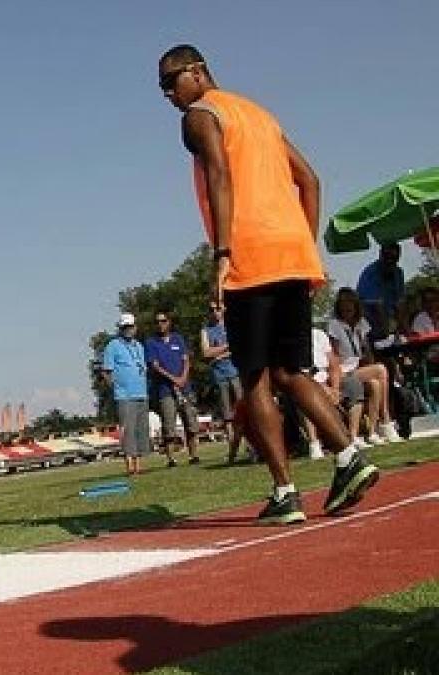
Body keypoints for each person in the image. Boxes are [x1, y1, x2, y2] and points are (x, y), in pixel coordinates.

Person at [158, 43, 378, 524]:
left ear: (196, 72)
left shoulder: (200, 114)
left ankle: (285, 491)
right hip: (292, 254)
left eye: (170, 82)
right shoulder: (259, 114)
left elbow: (220, 174)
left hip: (249, 257)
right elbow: (311, 180)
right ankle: (348, 456)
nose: (168, 95)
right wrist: (305, 245)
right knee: (291, 372)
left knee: (254, 377)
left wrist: (222, 254)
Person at [327, 288, 404, 444]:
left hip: (359, 368)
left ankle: (372, 432)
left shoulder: (361, 324)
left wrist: (368, 362)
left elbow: (367, 351)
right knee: (381, 369)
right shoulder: (335, 325)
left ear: (356, 305)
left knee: (375, 384)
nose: (347, 307)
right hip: (344, 370)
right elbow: (333, 355)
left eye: (350, 303)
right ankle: (387, 420)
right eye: (343, 304)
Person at [144, 311, 202, 467]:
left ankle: (194, 455)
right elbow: (154, 366)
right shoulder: (151, 343)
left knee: (190, 422)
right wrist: (173, 378)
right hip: (165, 390)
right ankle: (171, 459)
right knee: (169, 426)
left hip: (185, 388)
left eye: (163, 321)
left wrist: (183, 377)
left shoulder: (178, 338)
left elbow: (186, 359)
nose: (160, 324)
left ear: (169, 322)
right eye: (157, 321)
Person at [100, 313, 151, 476]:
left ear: (135, 327)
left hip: (141, 392)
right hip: (124, 395)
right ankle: (129, 465)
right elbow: (106, 371)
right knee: (128, 430)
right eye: (125, 327)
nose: (128, 330)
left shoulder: (139, 346)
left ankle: (139, 464)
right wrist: (115, 387)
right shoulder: (113, 345)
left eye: (131, 326)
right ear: (120, 328)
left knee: (141, 429)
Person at [307, 326, 368, 458]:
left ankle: (352, 437)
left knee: (353, 384)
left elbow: (333, 365)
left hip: (326, 377)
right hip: (305, 380)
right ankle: (314, 444)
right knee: (305, 395)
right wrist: (323, 387)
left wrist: (335, 389)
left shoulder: (319, 334)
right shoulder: (286, 339)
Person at [201, 301, 245, 463]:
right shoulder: (206, 330)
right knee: (227, 416)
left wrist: (218, 353)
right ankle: (232, 450)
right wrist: (226, 348)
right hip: (219, 376)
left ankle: (250, 446)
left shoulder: (233, 325)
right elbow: (206, 353)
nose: (215, 312)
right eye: (211, 309)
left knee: (243, 410)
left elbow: (240, 345)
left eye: (217, 309)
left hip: (236, 373)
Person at [357, 242, 406, 338]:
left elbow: (400, 303)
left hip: (389, 318)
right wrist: (387, 334)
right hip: (369, 322)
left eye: (394, 258)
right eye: (387, 256)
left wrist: (403, 329)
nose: (390, 260)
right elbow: (378, 306)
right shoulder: (370, 273)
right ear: (380, 255)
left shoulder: (398, 272)